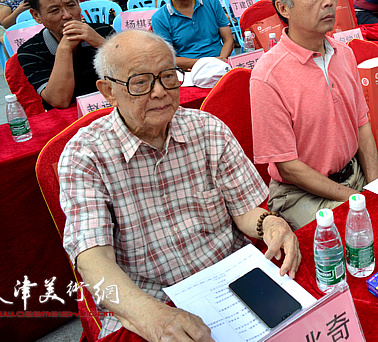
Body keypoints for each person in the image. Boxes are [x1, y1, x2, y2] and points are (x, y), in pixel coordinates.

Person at [59, 29, 299, 340]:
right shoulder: (85, 156)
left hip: (231, 282)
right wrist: (152, 316)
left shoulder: (208, 129)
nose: (159, 92)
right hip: (150, 303)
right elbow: (94, 260)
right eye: (141, 82)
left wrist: (271, 223)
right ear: (108, 91)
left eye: (168, 76)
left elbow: (245, 213)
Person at [251, 0, 378, 230]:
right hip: (300, 193)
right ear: (284, 7)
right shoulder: (268, 74)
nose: (329, 1)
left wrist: (375, 185)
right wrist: (357, 199)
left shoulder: (344, 54)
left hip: (352, 174)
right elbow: (288, 167)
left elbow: (362, 125)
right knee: (360, 234)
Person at [17, 0, 114, 110]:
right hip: (66, 120)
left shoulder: (103, 30)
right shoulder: (30, 51)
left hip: (110, 107)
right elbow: (60, 100)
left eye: (71, 5)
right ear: (36, 16)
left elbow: (135, 74)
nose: (67, 15)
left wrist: (102, 44)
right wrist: (64, 48)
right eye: (54, 10)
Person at [151, 0, 235, 71]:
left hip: (221, 65)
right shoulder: (160, 18)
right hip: (188, 71)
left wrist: (221, 60)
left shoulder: (212, 2)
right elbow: (169, 57)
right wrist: (205, 64)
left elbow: (228, 40)